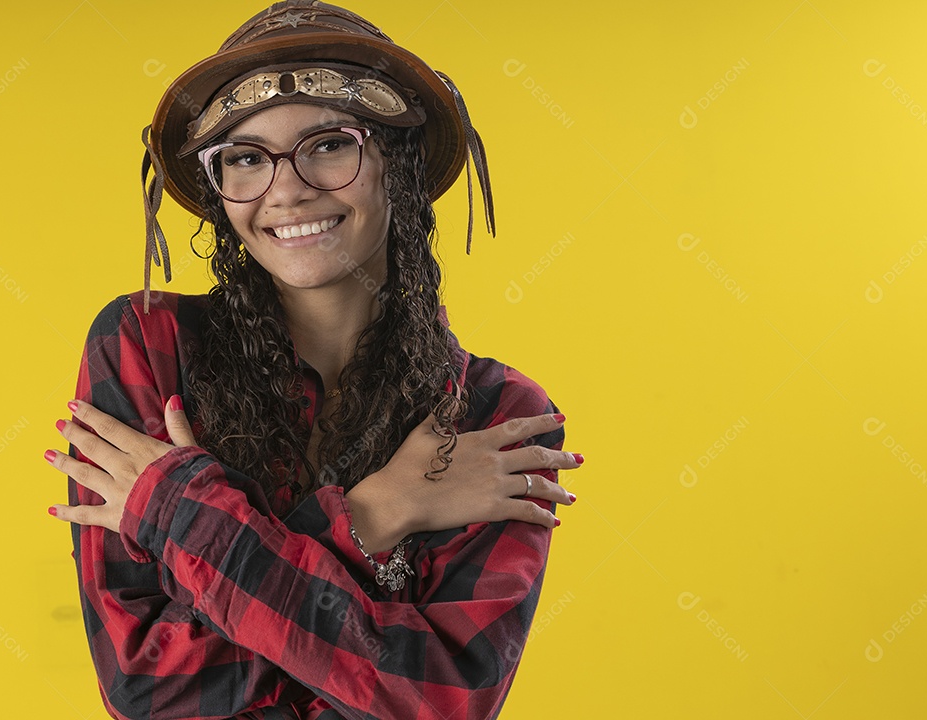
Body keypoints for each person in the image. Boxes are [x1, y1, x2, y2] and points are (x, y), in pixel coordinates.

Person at [43, 2, 583, 718]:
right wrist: (377, 513)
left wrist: (177, 511)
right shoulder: (147, 345)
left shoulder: (497, 419)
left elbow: (441, 700)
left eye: (328, 145)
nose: (288, 189)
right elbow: (145, 682)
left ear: (398, 166)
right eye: (246, 158)